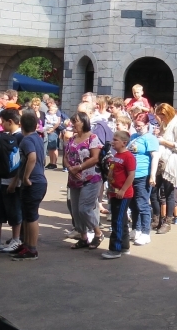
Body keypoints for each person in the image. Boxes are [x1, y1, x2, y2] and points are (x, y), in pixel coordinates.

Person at [10, 110, 47, 261]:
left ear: (21, 124)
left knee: (31, 217)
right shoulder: (37, 137)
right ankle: (26, 244)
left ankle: (32, 248)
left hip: (34, 181)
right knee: (27, 215)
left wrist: (25, 177)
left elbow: (32, 157)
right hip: (39, 180)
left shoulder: (26, 140)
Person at [65, 111, 103, 249]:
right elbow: (65, 157)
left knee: (84, 209)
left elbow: (95, 158)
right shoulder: (71, 139)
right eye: (72, 121)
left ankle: (98, 233)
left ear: (84, 122)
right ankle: (83, 237)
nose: (73, 124)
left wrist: (79, 168)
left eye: (75, 121)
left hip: (90, 178)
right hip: (74, 179)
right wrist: (70, 168)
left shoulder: (93, 138)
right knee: (75, 210)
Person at [0, 108, 24, 253]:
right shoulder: (6, 136)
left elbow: (20, 162)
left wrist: (14, 181)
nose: (1, 125)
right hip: (2, 180)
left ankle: (16, 239)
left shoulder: (19, 137)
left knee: (14, 212)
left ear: (10, 121)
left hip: (12, 182)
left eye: (3, 122)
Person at [101, 130, 136, 259]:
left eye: (115, 140)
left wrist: (122, 190)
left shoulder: (128, 157)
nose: (112, 142)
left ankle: (115, 249)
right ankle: (124, 246)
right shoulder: (116, 155)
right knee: (122, 220)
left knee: (117, 221)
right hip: (114, 193)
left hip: (123, 194)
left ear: (124, 143)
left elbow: (131, 175)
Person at [154, 103, 177, 233]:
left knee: (168, 192)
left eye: (162, 115)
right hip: (160, 160)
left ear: (167, 114)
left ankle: (167, 222)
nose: (161, 118)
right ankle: (157, 219)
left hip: (171, 162)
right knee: (154, 191)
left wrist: (163, 141)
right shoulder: (165, 124)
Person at [130, 113, 160, 245]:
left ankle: (145, 232)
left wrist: (152, 175)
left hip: (143, 175)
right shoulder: (133, 137)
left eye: (140, 126)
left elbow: (155, 157)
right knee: (132, 204)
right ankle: (136, 229)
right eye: (135, 125)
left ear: (147, 125)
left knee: (142, 204)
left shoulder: (150, 138)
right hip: (131, 175)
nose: (137, 128)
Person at [44, 100, 61, 168]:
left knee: (54, 148)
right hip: (47, 130)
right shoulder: (47, 113)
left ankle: (54, 163)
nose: (49, 110)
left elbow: (57, 122)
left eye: (51, 110)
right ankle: (51, 162)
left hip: (53, 131)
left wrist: (52, 129)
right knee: (50, 148)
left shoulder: (56, 114)